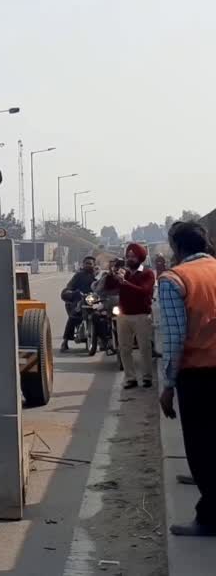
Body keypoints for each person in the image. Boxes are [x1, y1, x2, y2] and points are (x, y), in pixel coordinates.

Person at [158, 221, 216, 536]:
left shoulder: (174, 279)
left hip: (199, 374)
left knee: (201, 445)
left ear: (177, 248)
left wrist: (167, 386)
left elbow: (175, 338)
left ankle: (209, 518)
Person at [114, 243, 157, 388]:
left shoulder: (148, 273)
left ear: (140, 258)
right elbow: (108, 288)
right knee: (124, 349)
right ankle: (130, 378)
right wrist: (111, 274)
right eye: (128, 256)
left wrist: (125, 283)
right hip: (123, 316)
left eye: (133, 256)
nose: (130, 259)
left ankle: (147, 377)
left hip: (141, 316)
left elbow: (144, 291)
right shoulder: (123, 273)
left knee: (145, 348)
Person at [60, 256, 98, 351]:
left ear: (94, 265)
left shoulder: (98, 276)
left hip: (95, 301)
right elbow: (69, 287)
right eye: (86, 263)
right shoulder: (78, 276)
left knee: (104, 318)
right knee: (73, 317)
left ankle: (107, 341)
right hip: (81, 300)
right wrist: (71, 292)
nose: (88, 265)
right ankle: (65, 341)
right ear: (83, 264)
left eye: (90, 263)